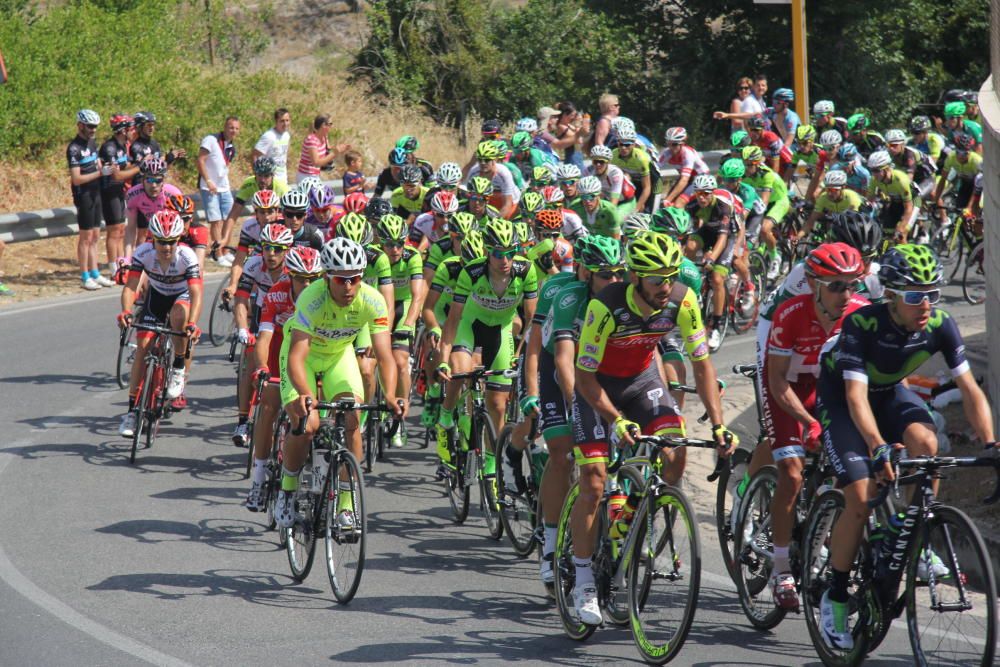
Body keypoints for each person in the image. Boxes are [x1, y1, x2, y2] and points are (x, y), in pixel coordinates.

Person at [816, 245, 996, 651]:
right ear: (892, 296)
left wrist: (991, 443)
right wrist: (878, 445)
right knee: (860, 498)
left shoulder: (942, 324)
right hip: (844, 401)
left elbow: (969, 389)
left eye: (932, 293)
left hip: (889, 394)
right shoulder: (862, 323)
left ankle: (909, 529)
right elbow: (856, 398)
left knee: (927, 444)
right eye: (915, 296)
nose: (927, 304)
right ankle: (838, 596)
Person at [570, 231, 735, 625]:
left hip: (643, 380)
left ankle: (627, 515)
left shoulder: (682, 299)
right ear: (634, 277)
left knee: (675, 452)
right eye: (656, 278)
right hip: (597, 387)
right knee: (593, 481)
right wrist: (616, 420)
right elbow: (584, 377)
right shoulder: (604, 307)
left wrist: (718, 425)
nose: (666, 286)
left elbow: (702, 365)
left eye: (671, 276)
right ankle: (583, 579)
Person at [763, 243, 870, 611]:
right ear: (813, 283)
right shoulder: (790, 313)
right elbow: (776, 382)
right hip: (788, 390)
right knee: (791, 474)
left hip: (827, 390)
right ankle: (780, 569)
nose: (846, 293)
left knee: (850, 473)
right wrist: (808, 423)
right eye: (836, 285)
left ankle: (821, 534)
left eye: (852, 284)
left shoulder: (861, 314)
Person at [275, 237, 405, 530]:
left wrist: (392, 396)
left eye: (355, 279)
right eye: (340, 280)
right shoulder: (312, 298)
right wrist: (306, 396)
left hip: (338, 356)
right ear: (326, 277)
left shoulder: (372, 300)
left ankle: (346, 506)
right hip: (304, 359)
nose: (348, 287)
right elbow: (296, 356)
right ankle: (287, 488)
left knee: (352, 418)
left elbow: (385, 357)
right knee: (307, 425)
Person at [245, 246, 323, 511]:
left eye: (314, 279)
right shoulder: (277, 295)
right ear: (290, 276)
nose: (308, 284)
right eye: (302, 278)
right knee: (268, 403)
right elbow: (264, 337)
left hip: (313, 352)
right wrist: (262, 367)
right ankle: (258, 476)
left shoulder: (325, 296)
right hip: (281, 347)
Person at [116, 211, 203, 436]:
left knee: (178, 315)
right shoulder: (143, 253)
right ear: (153, 238)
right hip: (156, 297)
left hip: (180, 298)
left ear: (179, 239)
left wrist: (193, 323)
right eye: (161, 242)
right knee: (142, 350)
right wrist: (125, 311)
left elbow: (196, 293)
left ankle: (178, 367)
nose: (166, 247)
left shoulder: (187, 256)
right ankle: (133, 412)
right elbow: (131, 287)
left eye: (172, 242)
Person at [68, 110, 113, 290]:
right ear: (80, 125)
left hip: (96, 193)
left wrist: (104, 168)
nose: (93, 130)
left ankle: (95, 272)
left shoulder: (92, 143)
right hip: (84, 195)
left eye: (95, 127)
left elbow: (97, 164)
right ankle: (84, 275)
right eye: (90, 126)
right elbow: (76, 178)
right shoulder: (74, 148)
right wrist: (100, 173)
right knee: (85, 237)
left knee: (95, 235)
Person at [197, 116, 240, 265]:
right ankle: (217, 253)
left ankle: (226, 251)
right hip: (209, 187)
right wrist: (208, 181)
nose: (233, 131)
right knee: (216, 221)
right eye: (230, 127)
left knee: (228, 219)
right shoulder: (211, 140)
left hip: (224, 187)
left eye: (236, 128)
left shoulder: (231, 147)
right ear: (224, 127)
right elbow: (200, 160)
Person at [124, 158, 183, 257]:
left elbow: (183, 225)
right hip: (155, 235)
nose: (154, 185)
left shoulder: (174, 194)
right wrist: (127, 258)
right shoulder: (133, 195)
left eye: (158, 180)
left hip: (174, 236)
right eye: (149, 180)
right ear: (142, 180)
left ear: (163, 180)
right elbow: (130, 229)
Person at [98, 114, 133, 277]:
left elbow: (126, 166)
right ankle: (114, 270)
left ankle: (121, 265)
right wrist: (140, 166)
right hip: (109, 192)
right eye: (131, 129)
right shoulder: (109, 148)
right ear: (123, 130)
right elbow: (117, 175)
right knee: (114, 231)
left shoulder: (122, 146)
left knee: (121, 230)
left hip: (119, 191)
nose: (134, 132)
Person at [127, 111, 186, 181]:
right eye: (148, 125)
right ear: (140, 126)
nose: (151, 128)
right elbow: (141, 171)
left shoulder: (154, 143)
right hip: (141, 185)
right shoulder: (136, 146)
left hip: (155, 184)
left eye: (153, 125)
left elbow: (160, 168)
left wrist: (170, 158)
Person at [296, 114, 351, 184]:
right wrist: (335, 153)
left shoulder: (324, 137)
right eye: (330, 124)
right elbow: (316, 162)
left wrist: (340, 148)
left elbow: (328, 149)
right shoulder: (311, 140)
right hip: (306, 177)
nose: (332, 126)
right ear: (323, 125)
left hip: (315, 175)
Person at [252, 108, 291, 187]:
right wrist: (258, 176)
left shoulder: (286, 135)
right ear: (276, 121)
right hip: (270, 181)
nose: (285, 123)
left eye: (287, 120)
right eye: (282, 121)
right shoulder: (269, 136)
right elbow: (255, 155)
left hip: (283, 178)